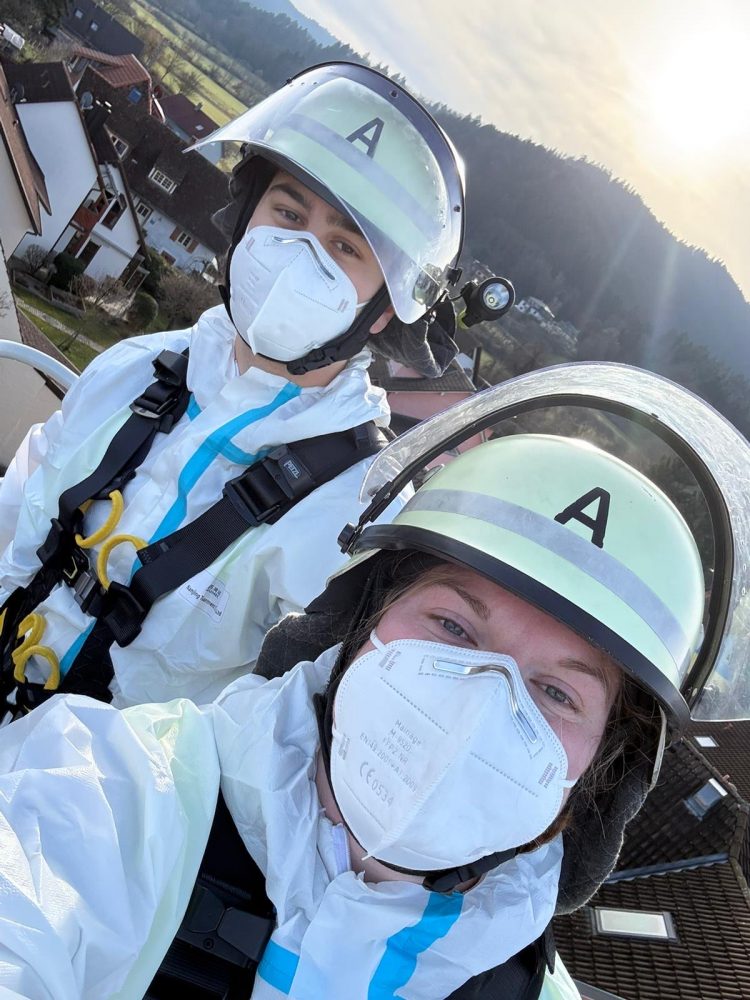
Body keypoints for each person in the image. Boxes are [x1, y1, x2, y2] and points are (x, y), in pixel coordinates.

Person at [1, 366, 746, 999]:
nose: (477, 704)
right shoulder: (117, 788)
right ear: (358, 627)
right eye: (454, 626)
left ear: (599, 772)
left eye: (556, 693)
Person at [0, 62, 465, 712]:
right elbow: (22, 505)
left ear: (383, 310)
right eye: (288, 213)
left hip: (83, 772)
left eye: (345, 247)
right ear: (246, 218)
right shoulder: (136, 367)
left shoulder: (358, 519)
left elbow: (272, 731)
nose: (299, 253)